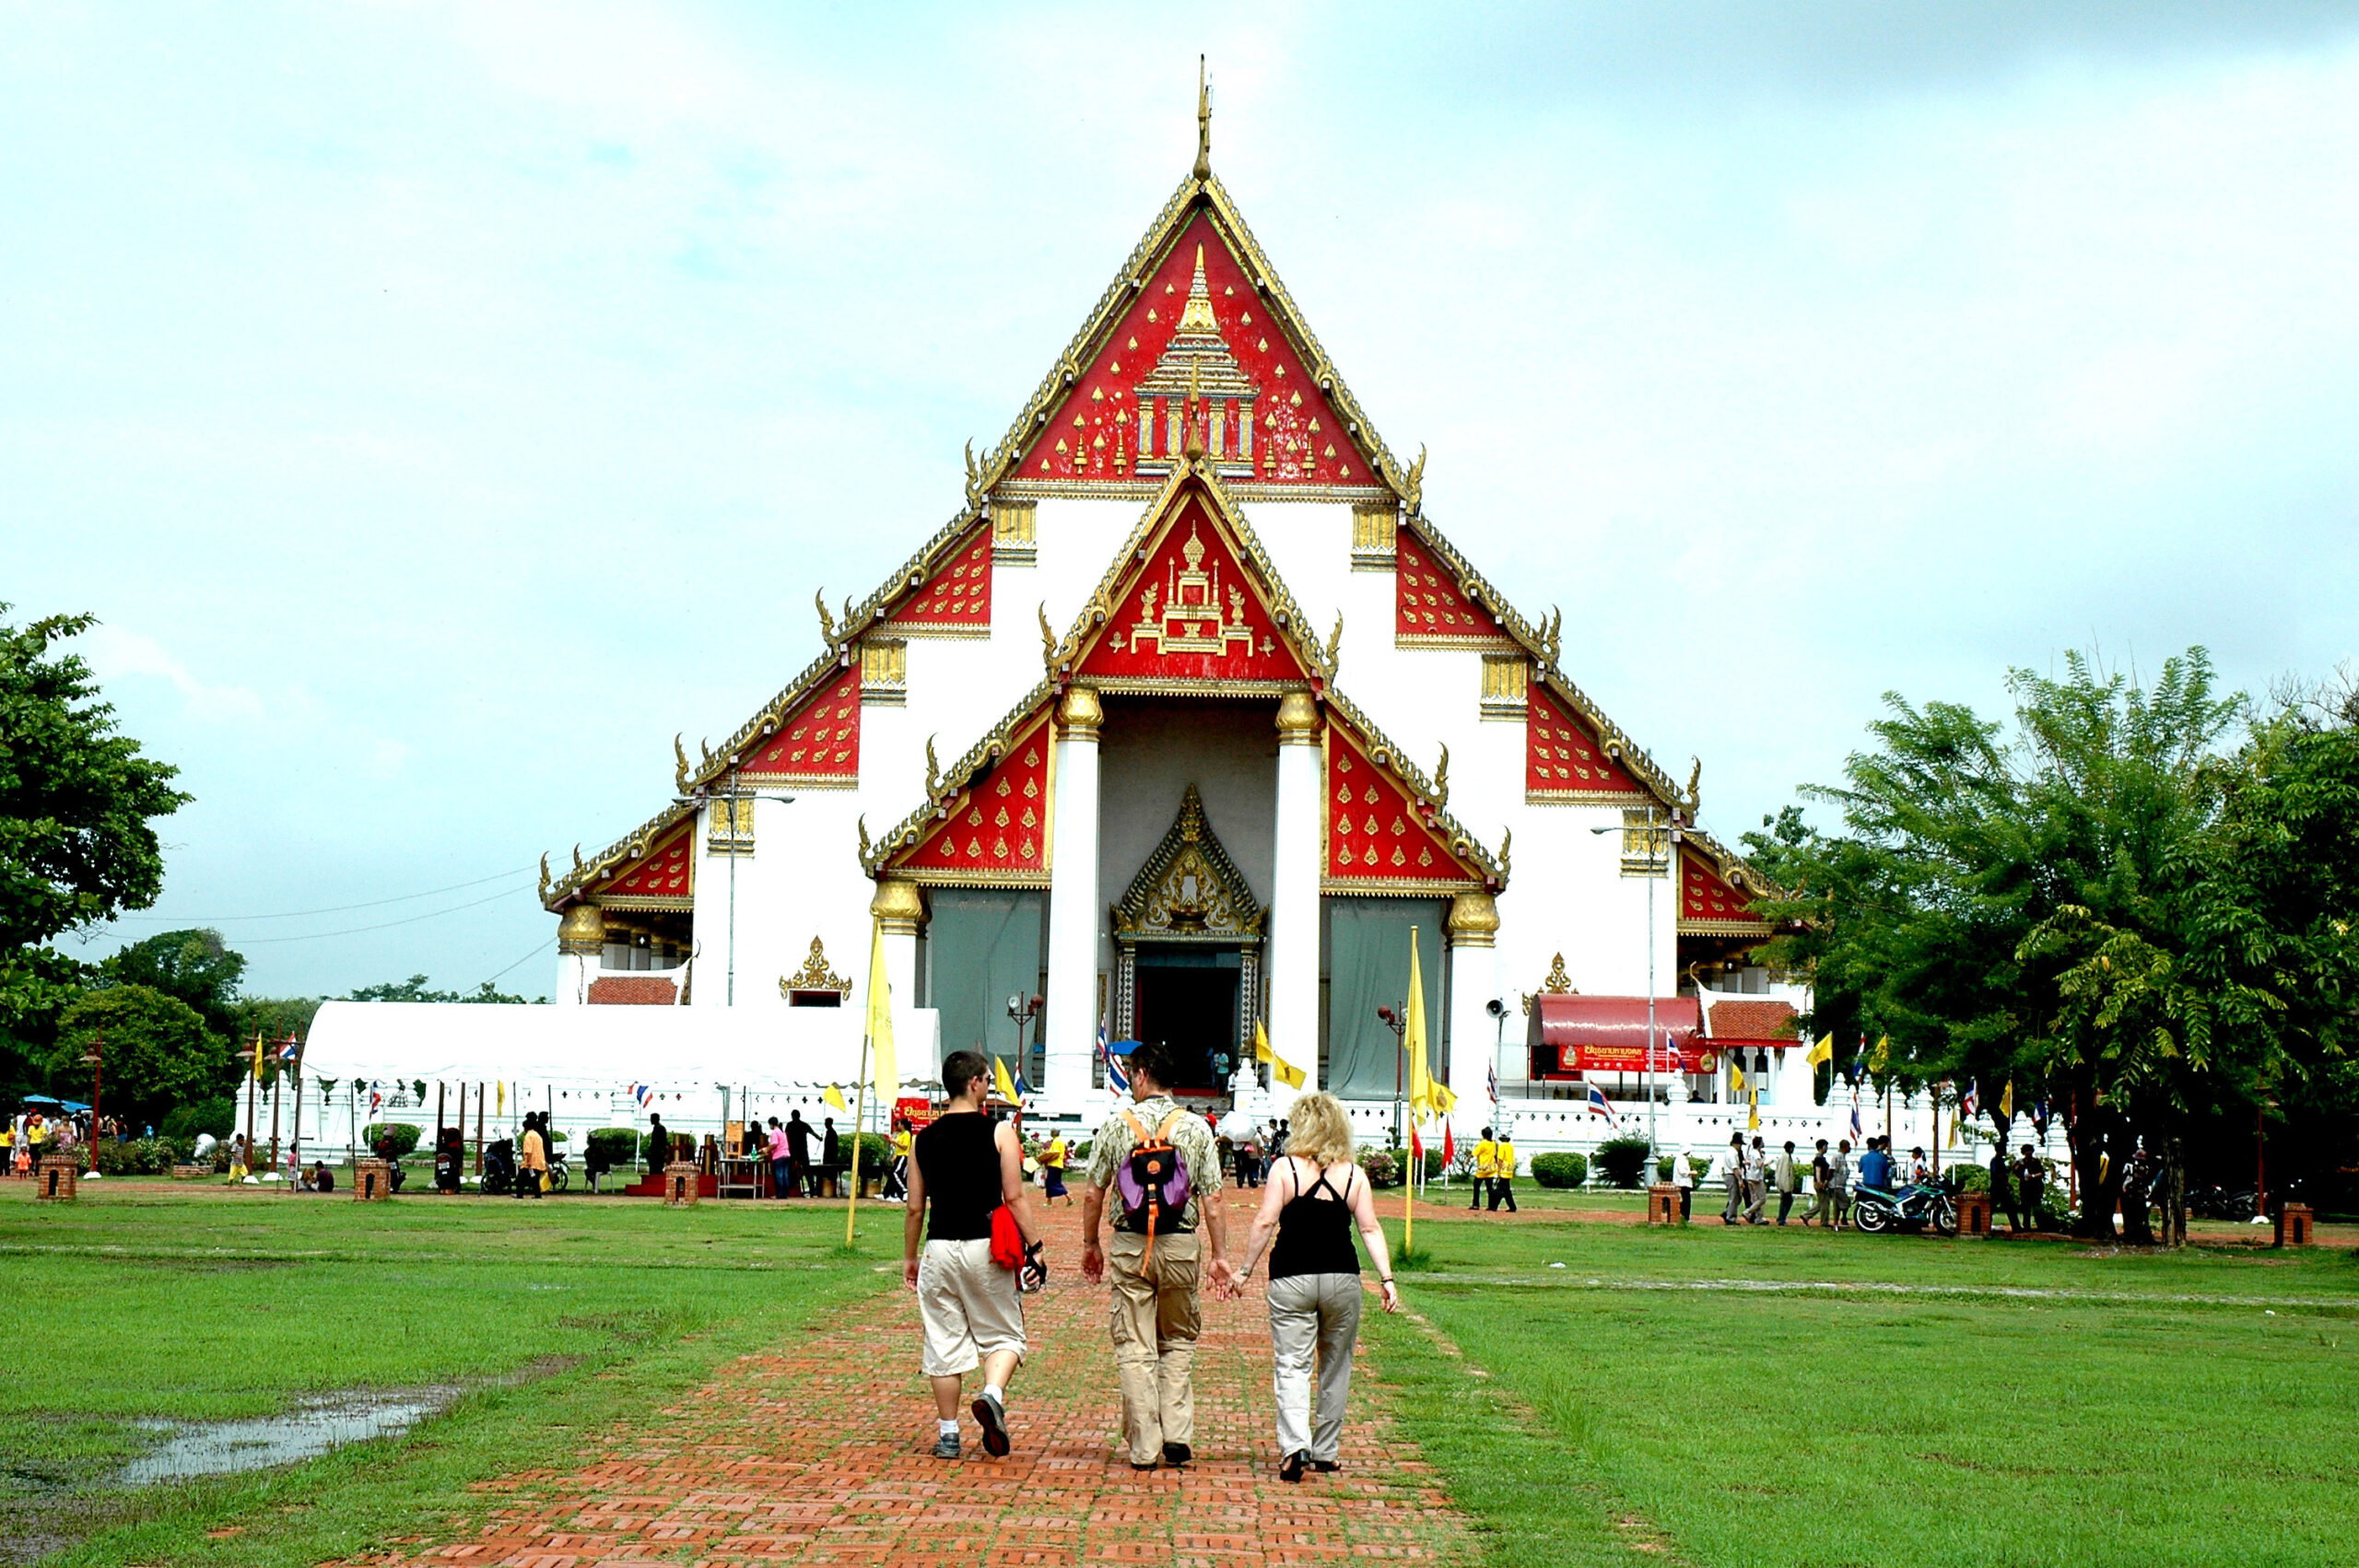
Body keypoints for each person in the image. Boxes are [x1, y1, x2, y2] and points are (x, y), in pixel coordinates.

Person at [1229, 1091, 1399, 1481]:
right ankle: (1326, 1450)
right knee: (1336, 1365)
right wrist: (1387, 1279)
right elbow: (1370, 1228)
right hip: (1342, 1277)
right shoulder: (1354, 1174)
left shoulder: (1284, 1169)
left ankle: (1294, 1446)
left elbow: (1264, 1222)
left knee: (1292, 1363)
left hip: (1291, 1276)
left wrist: (1244, 1271)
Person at [1082, 1039, 1228, 1470]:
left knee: (1134, 1344)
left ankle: (1145, 1445)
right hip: (1180, 1245)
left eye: (1131, 1074)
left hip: (1131, 1245)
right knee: (1178, 1339)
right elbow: (1214, 1200)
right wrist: (1219, 1255)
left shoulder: (1116, 1126)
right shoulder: (1197, 1128)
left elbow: (1092, 1193)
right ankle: (1177, 1432)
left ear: (1142, 1075)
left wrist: (1091, 1244)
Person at [904, 1050, 1045, 1461]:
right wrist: (1036, 1247)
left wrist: (910, 1256)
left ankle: (948, 1435)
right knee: (1004, 1335)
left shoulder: (922, 1139)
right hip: (985, 1247)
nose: (988, 1086)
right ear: (974, 1083)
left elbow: (914, 1208)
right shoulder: (999, 1132)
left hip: (939, 1247)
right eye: (986, 1079)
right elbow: (1014, 1197)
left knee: (943, 1343)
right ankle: (991, 1394)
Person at [1803, 1140, 1835, 1227]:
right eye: (1825, 1146)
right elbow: (1818, 1170)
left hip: (1820, 1182)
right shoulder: (1819, 1159)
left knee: (1822, 1202)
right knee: (1825, 1203)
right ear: (1821, 1147)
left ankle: (1806, 1215)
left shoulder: (1820, 1158)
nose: (1827, 1148)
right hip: (1820, 1182)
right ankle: (1824, 1221)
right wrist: (1820, 1181)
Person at [516, 1113, 548, 1199]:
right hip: (539, 1161)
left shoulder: (528, 1136)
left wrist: (528, 1162)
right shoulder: (537, 1136)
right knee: (535, 1179)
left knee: (520, 1178)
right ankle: (538, 1194)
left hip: (530, 1162)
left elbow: (528, 1151)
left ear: (525, 1128)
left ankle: (519, 1194)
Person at [2014, 1145, 2046, 1231]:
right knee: (2025, 1207)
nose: (2028, 1153)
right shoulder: (2020, 1162)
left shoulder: (2036, 1161)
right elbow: (2016, 1172)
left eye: (2030, 1151)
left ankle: (2040, 1225)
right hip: (2025, 1187)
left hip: (2035, 1187)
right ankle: (2026, 1226)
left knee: (2036, 1206)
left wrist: (2033, 1176)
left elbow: (2042, 1173)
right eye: (2026, 1151)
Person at [1487, 1128, 1519, 1212]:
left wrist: (1499, 1171)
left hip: (1503, 1170)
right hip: (1509, 1169)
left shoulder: (1502, 1146)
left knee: (1499, 1190)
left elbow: (1500, 1160)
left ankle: (1494, 1206)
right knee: (1506, 1190)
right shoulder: (1510, 1146)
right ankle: (1512, 1207)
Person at [1989, 1146, 2020, 1233]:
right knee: (2009, 1206)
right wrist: (2007, 1183)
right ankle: (2016, 1227)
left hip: (1998, 1186)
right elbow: (1998, 1173)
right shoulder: (1996, 1161)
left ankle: (2016, 1227)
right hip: (1998, 1186)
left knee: (1994, 1207)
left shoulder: (1999, 1161)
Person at [786, 1109, 815, 1197]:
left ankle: (790, 1188)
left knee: (790, 1170)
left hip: (793, 1151)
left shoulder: (789, 1125)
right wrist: (819, 1138)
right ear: (799, 1116)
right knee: (807, 1171)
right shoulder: (804, 1125)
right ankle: (812, 1191)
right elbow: (813, 1133)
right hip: (803, 1151)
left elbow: (785, 1136)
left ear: (792, 1116)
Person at [884, 1118, 914, 1202]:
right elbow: (898, 1147)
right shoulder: (901, 1134)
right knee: (893, 1174)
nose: (898, 1125)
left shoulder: (907, 1134)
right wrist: (892, 1142)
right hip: (898, 1156)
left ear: (903, 1125)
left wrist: (895, 1142)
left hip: (903, 1156)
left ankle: (904, 1190)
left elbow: (904, 1146)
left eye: (899, 1123)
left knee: (895, 1173)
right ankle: (890, 1193)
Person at [1774, 1141, 1802, 1224]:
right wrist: (1787, 1186)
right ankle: (1782, 1219)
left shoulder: (1784, 1156)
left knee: (1784, 1201)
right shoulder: (1786, 1157)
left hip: (1782, 1182)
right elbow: (1786, 1172)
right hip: (1785, 1183)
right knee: (1787, 1201)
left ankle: (1781, 1217)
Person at [1469, 1127, 1496, 1211]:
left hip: (1482, 1169)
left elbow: (1475, 1153)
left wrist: (1467, 1159)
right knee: (1490, 1188)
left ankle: (1476, 1204)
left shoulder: (1482, 1143)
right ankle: (1492, 1205)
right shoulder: (1493, 1144)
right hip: (1491, 1169)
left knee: (1476, 1185)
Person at [1828, 1139, 1854, 1228]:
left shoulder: (1843, 1157)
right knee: (1844, 1202)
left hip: (1841, 1184)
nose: (1850, 1148)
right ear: (1845, 1147)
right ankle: (1839, 1221)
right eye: (1849, 1146)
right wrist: (1827, 1181)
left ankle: (1840, 1220)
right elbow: (1832, 1169)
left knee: (1839, 1204)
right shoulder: (1838, 1157)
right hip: (1836, 1184)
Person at [1039, 1130, 1070, 1205]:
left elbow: (1056, 1154)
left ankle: (1067, 1198)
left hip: (1054, 1165)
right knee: (1056, 1182)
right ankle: (1068, 1199)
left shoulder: (1056, 1141)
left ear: (1053, 1133)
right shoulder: (1060, 1141)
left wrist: (1047, 1159)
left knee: (1049, 1183)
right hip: (1059, 1165)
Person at [1743, 1136, 1768, 1224]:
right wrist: (1765, 1160)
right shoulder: (1757, 1153)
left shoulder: (1753, 1152)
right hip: (1757, 1178)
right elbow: (1759, 1164)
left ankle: (1759, 1218)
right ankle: (1748, 1212)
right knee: (1762, 1199)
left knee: (1757, 1199)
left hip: (1752, 1177)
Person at [765, 1117, 791, 1199]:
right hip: (786, 1154)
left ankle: (779, 1194)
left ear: (771, 1124)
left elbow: (775, 1144)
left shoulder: (775, 1132)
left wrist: (766, 1149)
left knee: (779, 1175)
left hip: (779, 1156)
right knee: (785, 1175)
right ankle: (786, 1194)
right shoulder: (782, 1132)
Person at [1672, 1145, 1694, 1222]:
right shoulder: (1681, 1159)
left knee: (1685, 1200)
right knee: (1686, 1201)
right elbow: (1682, 1171)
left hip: (1683, 1182)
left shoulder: (1682, 1158)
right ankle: (1685, 1216)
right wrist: (1691, 1173)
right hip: (1682, 1182)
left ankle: (1684, 1215)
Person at [822, 1117, 842, 1195]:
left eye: (826, 1123)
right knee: (831, 1174)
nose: (825, 1124)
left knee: (831, 1174)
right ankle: (831, 1190)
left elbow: (832, 1147)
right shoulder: (831, 1132)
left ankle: (831, 1191)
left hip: (830, 1157)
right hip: (831, 1156)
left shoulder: (831, 1133)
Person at [645, 1111, 670, 1176]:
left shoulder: (660, 1128)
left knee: (656, 1170)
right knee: (654, 1169)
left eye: (652, 1118)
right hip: (655, 1153)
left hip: (657, 1153)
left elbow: (660, 1141)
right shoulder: (657, 1128)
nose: (650, 1120)